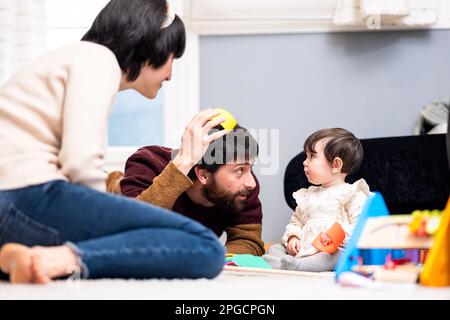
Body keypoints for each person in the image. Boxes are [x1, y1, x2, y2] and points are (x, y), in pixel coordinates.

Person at [0, 0, 226, 284]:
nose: (170, 73)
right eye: (172, 57)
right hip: (22, 195)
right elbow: (80, 161)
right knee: (205, 246)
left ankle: (17, 256)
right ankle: (59, 259)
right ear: (150, 44)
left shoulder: (74, 58)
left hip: (13, 205)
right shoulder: (98, 59)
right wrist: (104, 230)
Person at [107, 124, 265, 256]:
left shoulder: (242, 190)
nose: (251, 182)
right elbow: (133, 230)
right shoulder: (148, 163)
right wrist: (182, 165)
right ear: (203, 175)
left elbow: (248, 240)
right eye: (239, 170)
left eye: (250, 168)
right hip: (114, 212)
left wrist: (217, 259)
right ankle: (114, 183)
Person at [263, 128, 371, 272]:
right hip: (304, 248)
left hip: (329, 249)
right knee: (276, 247)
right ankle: (282, 262)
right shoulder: (308, 196)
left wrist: (334, 236)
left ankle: (299, 266)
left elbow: (360, 227)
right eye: (306, 156)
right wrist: (293, 237)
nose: (304, 162)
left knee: (334, 255)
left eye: (311, 157)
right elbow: (297, 221)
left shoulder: (353, 194)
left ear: (336, 165)